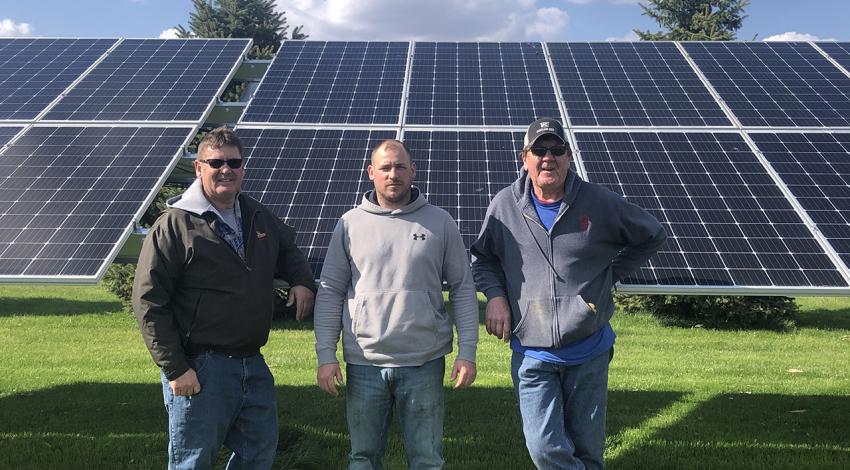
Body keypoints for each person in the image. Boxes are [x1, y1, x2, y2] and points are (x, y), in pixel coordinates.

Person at [470, 118, 666, 469]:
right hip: (532, 354)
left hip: (589, 349)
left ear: (569, 156)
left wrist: (610, 274)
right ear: (524, 158)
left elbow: (652, 234)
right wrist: (496, 296)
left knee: (589, 452)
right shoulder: (504, 206)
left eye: (557, 149)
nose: (549, 158)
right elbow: (483, 257)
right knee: (545, 449)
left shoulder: (598, 202)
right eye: (540, 150)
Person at [132, 126, 316, 469]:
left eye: (234, 162)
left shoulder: (256, 214)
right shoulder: (176, 224)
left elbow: (288, 249)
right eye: (216, 162)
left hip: (252, 362)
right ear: (199, 167)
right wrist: (176, 368)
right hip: (200, 365)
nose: (225, 170)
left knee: (258, 453)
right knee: (193, 461)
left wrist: (302, 281)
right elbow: (148, 302)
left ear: (243, 168)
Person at [314, 139, 479, 470]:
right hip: (364, 363)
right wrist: (325, 356)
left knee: (428, 460)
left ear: (413, 171)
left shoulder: (440, 222)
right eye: (385, 167)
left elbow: (462, 288)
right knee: (362, 459)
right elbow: (331, 289)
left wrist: (468, 352)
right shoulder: (349, 224)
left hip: (424, 362)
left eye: (401, 166)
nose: (394, 174)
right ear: (371, 172)